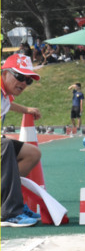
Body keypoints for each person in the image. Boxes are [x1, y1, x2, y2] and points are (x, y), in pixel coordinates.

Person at [1, 53, 42, 227]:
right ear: (4, 74)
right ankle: (9, 212)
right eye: (19, 76)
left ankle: (8, 199)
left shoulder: (5, 93)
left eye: (28, 80)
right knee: (6, 145)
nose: (24, 83)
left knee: (32, 154)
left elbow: (9, 104)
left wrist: (26, 109)